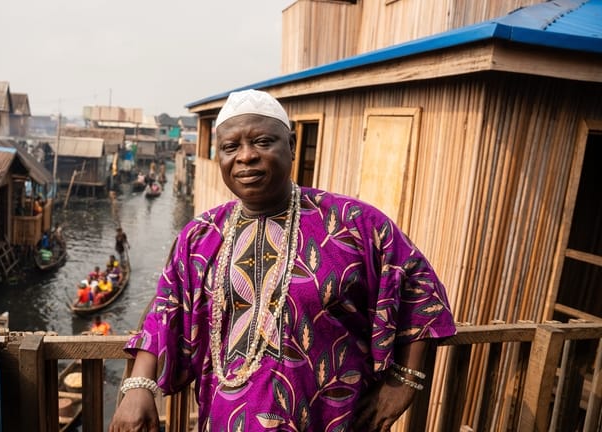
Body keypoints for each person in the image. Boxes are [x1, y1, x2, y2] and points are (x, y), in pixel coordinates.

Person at [109, 89, 456, 432]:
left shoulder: (353, 223)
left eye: (262, 142)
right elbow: (166, 308)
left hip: (332, 421)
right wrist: (139, 386)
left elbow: (419, 288)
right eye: (231, 147)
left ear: (290, 145)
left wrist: (404, 380)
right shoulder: (200, 236)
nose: (245, 157)